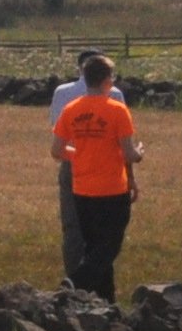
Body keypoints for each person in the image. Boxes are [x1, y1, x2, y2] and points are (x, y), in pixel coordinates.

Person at [52, 50, 142, 301]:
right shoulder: (117, 110)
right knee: (109, 245)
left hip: (82, 189)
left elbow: (56, 150)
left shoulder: (70, 109)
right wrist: (139, 153)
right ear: (106, 81)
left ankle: (105, 300)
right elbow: (128, 152)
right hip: (112, 189)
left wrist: (78, 154)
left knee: (93, 245)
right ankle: (75, 283)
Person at [49, 64, 90, 284]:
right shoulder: (115, 97)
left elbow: (56, 134)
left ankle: (74, 278)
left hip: (72, 162)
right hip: (106, 166)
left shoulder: (63, 94)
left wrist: (77, 153)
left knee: (72, 223)